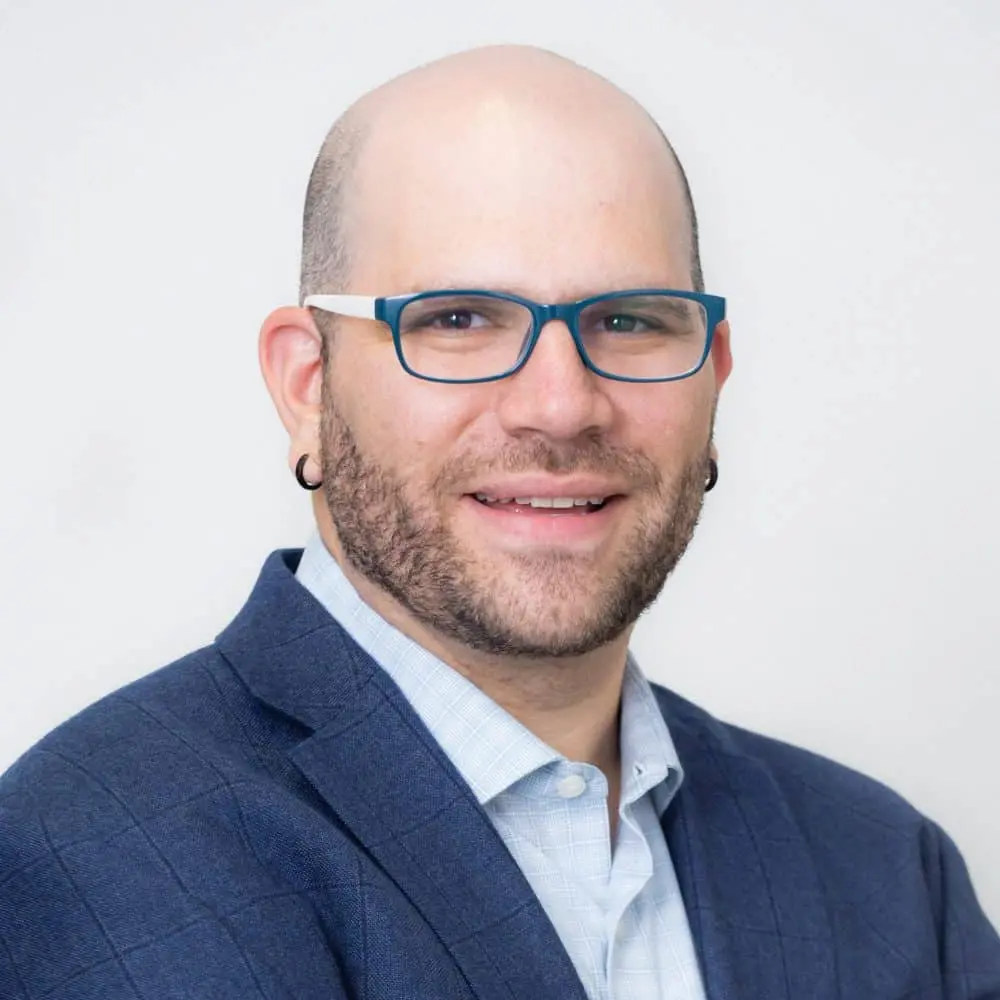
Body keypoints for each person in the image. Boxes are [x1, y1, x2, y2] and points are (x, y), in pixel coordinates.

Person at [0, 44, 997, 1000]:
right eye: (459, 319)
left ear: (713, 375)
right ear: (309, 384)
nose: (560, 406)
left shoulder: (884, 873)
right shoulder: (92, 854)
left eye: (630, 319)